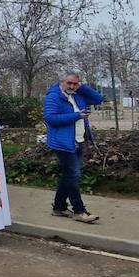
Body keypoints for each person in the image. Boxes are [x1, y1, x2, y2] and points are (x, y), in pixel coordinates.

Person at [43, 73, 104, 223]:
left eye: (75, 84)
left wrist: (82, 87)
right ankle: (79, 210)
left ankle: (59, 207)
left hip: (78, 140)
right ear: (62, 82)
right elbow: (50, 118)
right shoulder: (54, 96)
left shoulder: (78, 94)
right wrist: (77, 115)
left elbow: (98, 99)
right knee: (74, 175)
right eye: (69, 83)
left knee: (68, 175)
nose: (71, 86)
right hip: (63, 143)